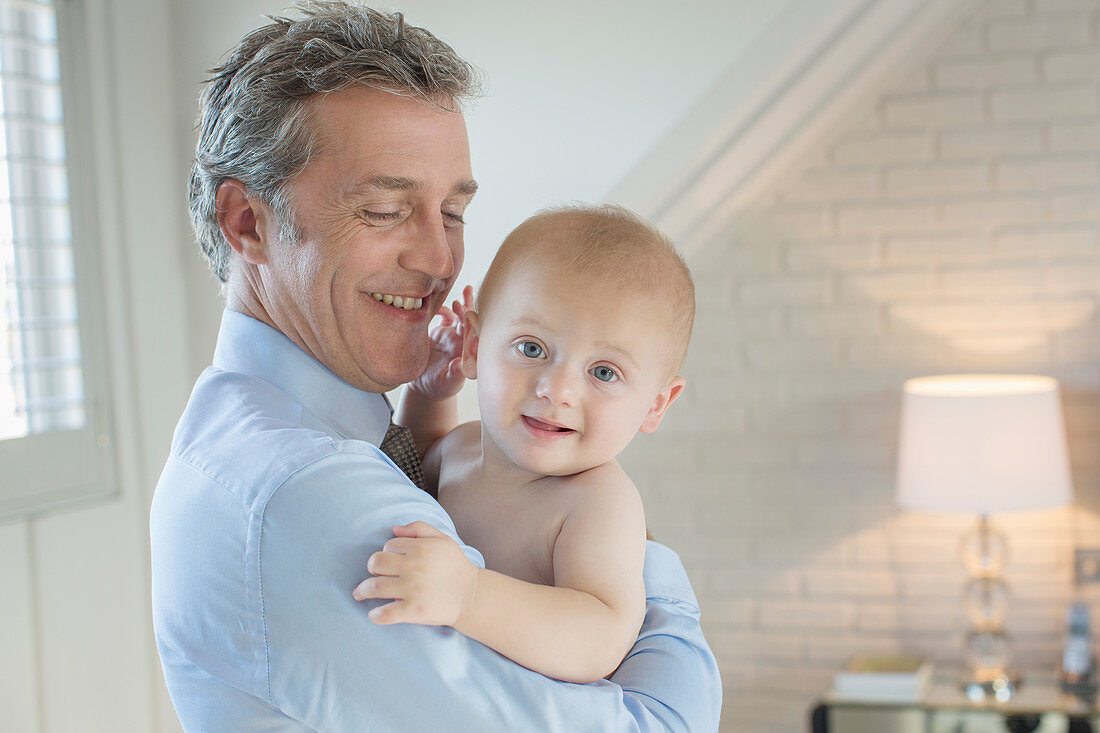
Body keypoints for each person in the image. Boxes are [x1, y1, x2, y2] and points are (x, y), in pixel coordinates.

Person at [149, 3, 721, 731]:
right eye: (387, 210)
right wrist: (649, 578)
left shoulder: (264, 432)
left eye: (451, 212)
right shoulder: (310, 498)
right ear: (246, 222)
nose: (439, 259)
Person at [353, 205, 692, 686]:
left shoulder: (597, 502)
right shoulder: (462, 448)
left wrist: (469, 595)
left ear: (657, 404)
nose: (557, 390)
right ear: (474, 346)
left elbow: (600, 636)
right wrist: (428, 394)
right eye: (532, 348)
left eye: (603, 372)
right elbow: (410, 475)